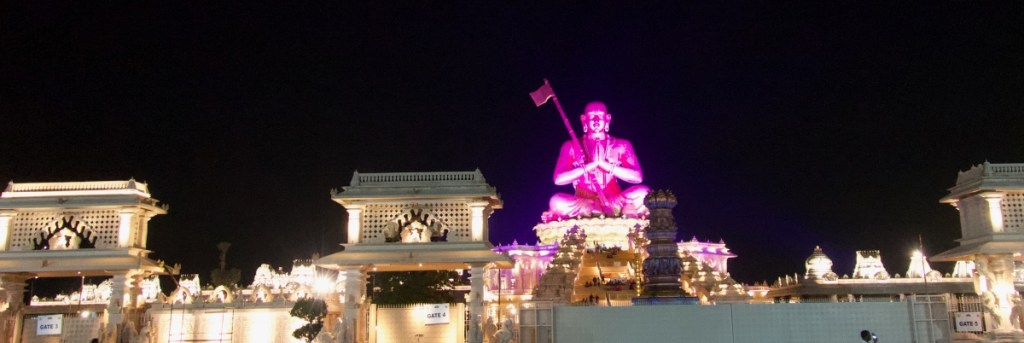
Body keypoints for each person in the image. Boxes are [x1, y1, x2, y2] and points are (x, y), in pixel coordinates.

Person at [543, 101, 650, 222]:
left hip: (613, 199)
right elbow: (558, 179)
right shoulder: (571, 146)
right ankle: (597, 209)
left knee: (644, 193)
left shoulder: (621, 145)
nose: (596, 120)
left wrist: (605, 165)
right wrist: (590, 165)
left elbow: (637, 177)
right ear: (584, 120)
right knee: (555, 201)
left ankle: (596, 211)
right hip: (583, 200)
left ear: (607, 118)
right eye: (592, 116)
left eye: (600, 116)